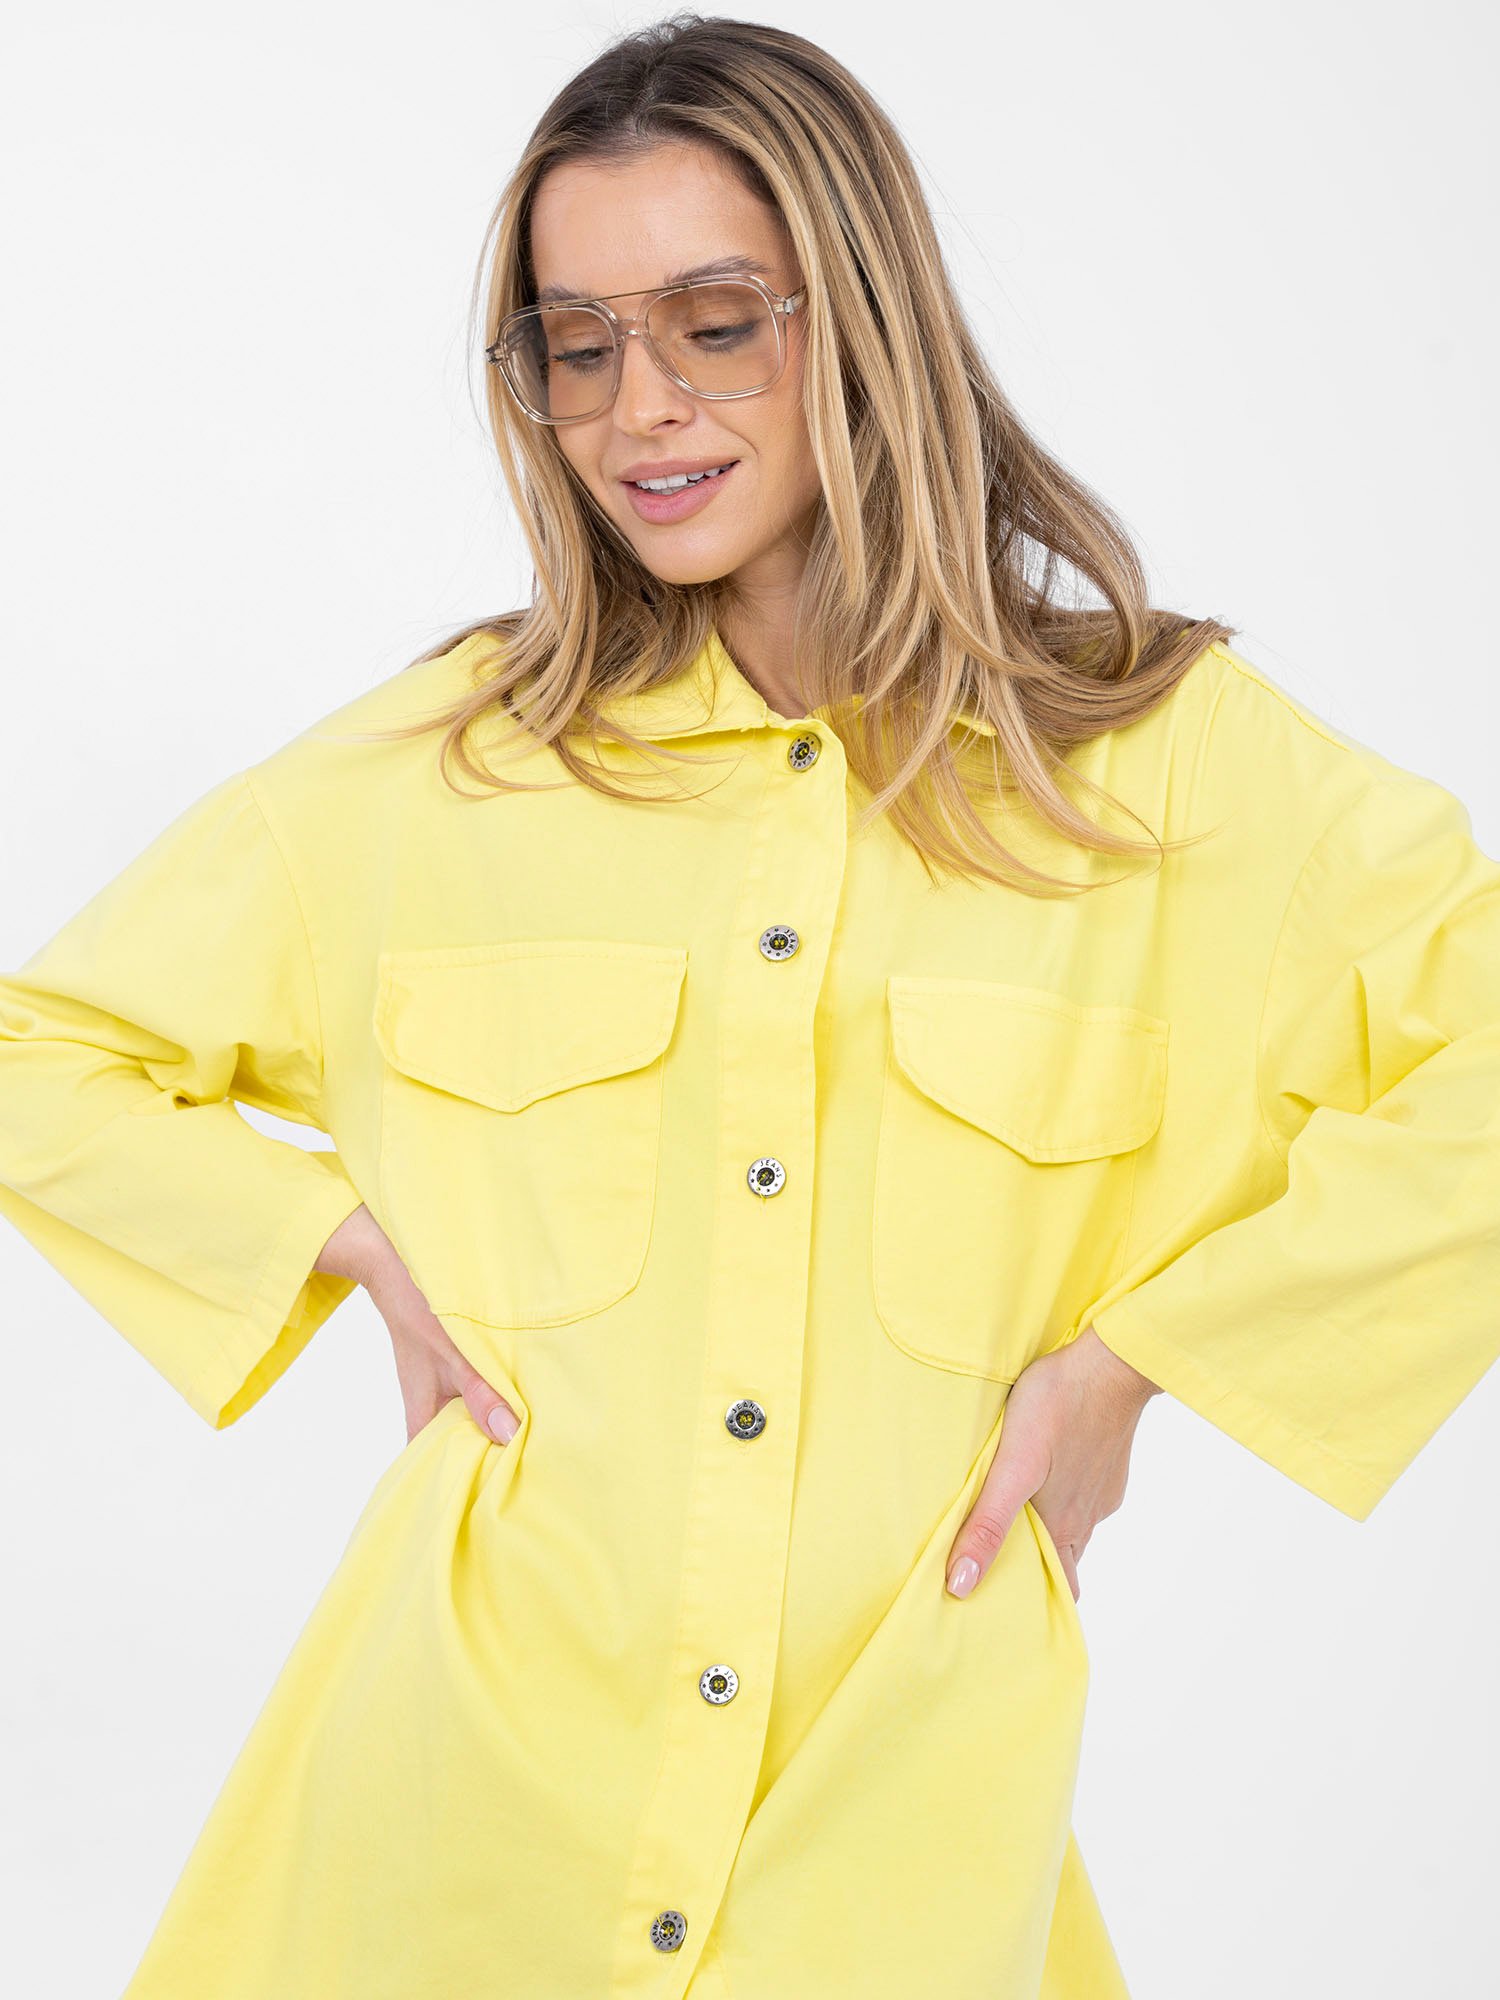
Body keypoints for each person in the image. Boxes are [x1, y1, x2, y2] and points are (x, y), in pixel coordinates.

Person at [2, 15, 1496, 1999]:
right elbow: (40, 1053)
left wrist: (1139, 1365)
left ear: (862, 314)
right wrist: (337, 1247)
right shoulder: (443, 771)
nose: (642, 410)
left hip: (896, 1847)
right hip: (449, 1840)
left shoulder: (1168, 772)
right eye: (578, 344)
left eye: (717, 325)